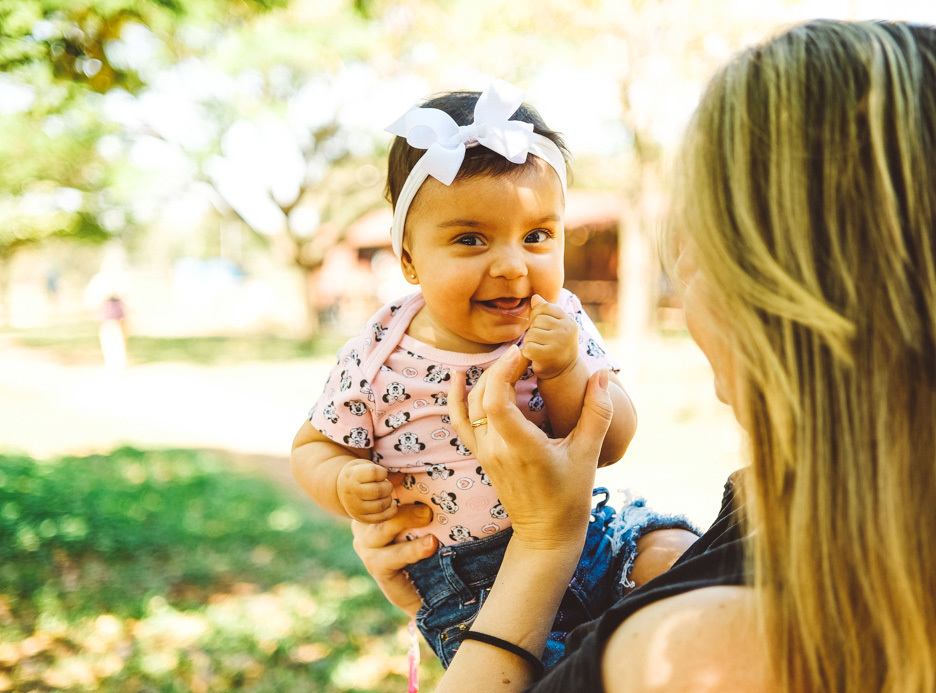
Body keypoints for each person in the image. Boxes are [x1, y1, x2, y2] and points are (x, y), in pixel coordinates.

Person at [352, 19, 936, 692]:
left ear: (774, 285)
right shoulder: (772, 527)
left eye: (694, 234)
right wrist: (462, 577)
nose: (681, 263)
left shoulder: (698, 651)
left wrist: (541, 548)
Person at [291, 79, 698, 669]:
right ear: (408, 256)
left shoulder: (561, 325)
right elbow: (312, 445)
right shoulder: (377, 352)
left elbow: (611, 443)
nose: (511, 266)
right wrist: (342, 480)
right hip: (468, 584)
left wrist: (564, 369)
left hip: (592, 528)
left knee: (681, 556)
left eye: (536, 236)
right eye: (470, 239)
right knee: (551, 675)